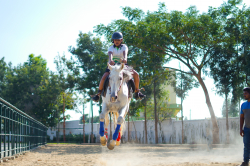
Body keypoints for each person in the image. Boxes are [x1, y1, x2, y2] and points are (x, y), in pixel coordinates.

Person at [91, 32, 145, 102]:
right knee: (104, 77)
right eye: (115, 40)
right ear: (113, 40)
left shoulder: (124, 47)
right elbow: (110, 54)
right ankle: (98, 94)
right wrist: (110, 60)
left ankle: (137, 92)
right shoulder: (111, 48)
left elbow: (125, 53)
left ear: (121, 40)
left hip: (123, 66)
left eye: (118, 40)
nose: (116, 41)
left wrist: (125, 59)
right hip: (113, 66)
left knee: (136, 74)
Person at [240, 87, 250, 166]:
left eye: (246, 93)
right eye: (244, 94)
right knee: (246, 145)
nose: (244, 95)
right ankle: (246, 162)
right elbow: (242, 117)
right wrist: (241, 129)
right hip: (246, 129)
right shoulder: (243, 105)